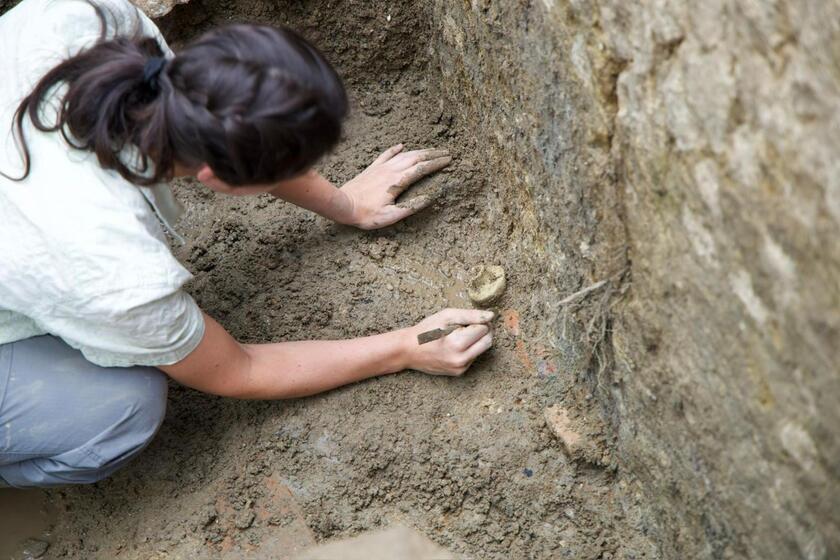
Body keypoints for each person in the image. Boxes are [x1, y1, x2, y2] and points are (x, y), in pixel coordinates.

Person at [0, 0, 494, 488]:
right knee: (123, 408)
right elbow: (238, 370)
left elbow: (218, 125)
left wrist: (346, 203)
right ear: (219, 181)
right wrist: (404, 348)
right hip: (42, 257)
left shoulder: (87, 18)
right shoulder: (110, 267)